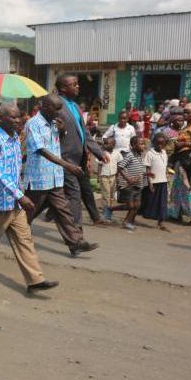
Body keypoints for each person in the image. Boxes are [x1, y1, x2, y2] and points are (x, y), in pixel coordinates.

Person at [0, 104, 59, 294]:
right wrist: (21, 195)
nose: (18, 121)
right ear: (1, 119)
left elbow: (16, 168)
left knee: (24, 239)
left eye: (19, 117)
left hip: (15, 202)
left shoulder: (15, 139)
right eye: (13, 118)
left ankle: (35, 279)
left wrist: (20, 193)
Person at [22, 95, 99, 257]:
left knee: (63, 210)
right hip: (39, 178)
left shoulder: (54, 123)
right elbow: (41, 150)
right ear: (43, 106)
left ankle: (76, 242)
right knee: (28, 212)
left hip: (55, 177)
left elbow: (56, 143)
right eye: (55, 109)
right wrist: (68, 165)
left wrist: (63, 131)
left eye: (59, 109)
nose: (58, 113)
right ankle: (15, 233)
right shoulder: (33, 124)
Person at [54, 74, 108, 227]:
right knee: (74, 196)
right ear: (63, 88)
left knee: (86, 189)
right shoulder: (57, 105)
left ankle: (95, 217)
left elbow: (84, 132)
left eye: (77, 83)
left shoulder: (75, 106)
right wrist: (57, 129)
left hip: (81, 158)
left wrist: (99, 152)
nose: (78, 86)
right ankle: (76, 232)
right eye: (74, 84)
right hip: (66, 160)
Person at [116, 136, 147, 231]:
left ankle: (126, 222)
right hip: (128, 185)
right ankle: (111, 209)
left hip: (138, 185)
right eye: (141, 144)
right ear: (133, 145)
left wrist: (147, 174)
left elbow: (139, 169)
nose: (144, 146)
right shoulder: (129, 155)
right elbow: (119, 167)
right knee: (131, 206)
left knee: (137, 205)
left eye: (144, 144)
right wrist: (128, 178)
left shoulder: (140, 156)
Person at [142, 132, 170, 231]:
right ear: (154, 143)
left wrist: (167, 175)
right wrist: (150, 182)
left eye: (162, 143)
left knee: (163, 202)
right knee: (150, 201)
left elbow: (165, 166)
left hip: (163, 181)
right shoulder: (150, 153)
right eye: (158, 143)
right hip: (154, 182)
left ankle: (161, 222)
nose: (160, 145)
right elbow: (148, 169)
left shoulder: (164, 153)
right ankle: (137, 215)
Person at [98, 137, 121, 223]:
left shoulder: (117, 153)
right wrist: (98, 176)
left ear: (113, 145)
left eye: (108, 143)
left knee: (111, 196)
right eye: (105, 143)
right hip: (104, 176)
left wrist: (117, 175)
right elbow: (100, 165)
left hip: (113, 176)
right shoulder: (102, 153)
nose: (105, 145)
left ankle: (109, 211)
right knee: (106, 195)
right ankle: (106, 213)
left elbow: (119, 164)